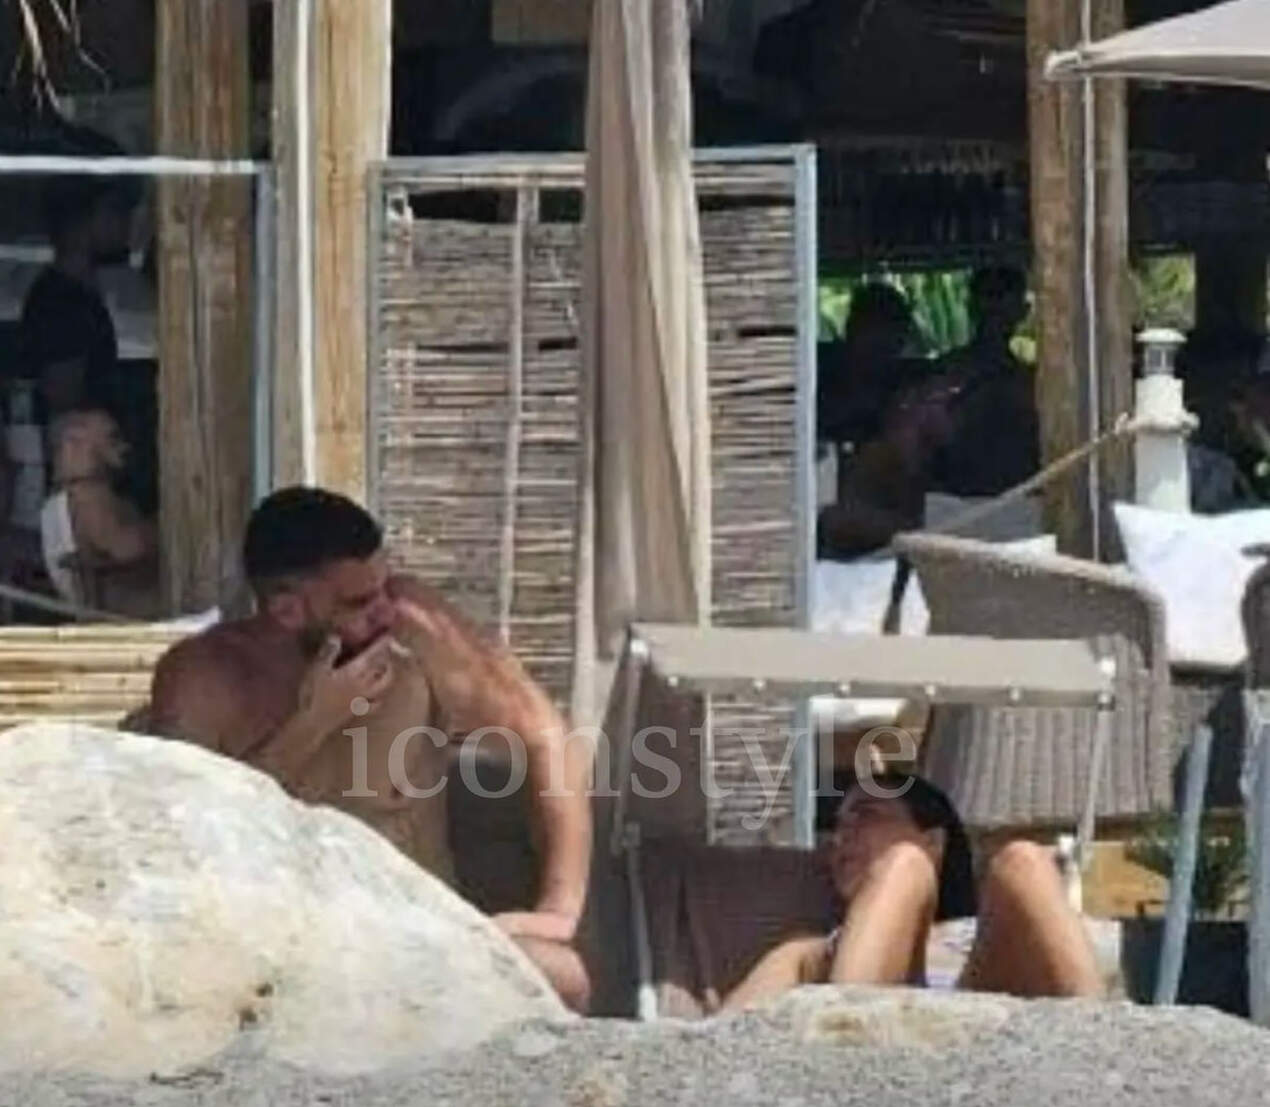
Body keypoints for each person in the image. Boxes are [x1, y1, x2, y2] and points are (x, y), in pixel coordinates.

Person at [147, 487, 593, 1011]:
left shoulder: (412, 626)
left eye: (383, 586)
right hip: (286, 954)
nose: (385, 612)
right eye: (358, 603)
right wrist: (315, 721)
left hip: (427, 941)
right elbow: (185, 839)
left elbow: (544, 735)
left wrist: (559, 907)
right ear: (288, 610)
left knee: (562, 975)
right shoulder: (204, 676)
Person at [720, 775, 1102, 1011]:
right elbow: (720, 1041)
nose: (839, 837)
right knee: (904, 867)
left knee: (1023, 862)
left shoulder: (993, 933)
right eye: (838, 825)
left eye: (866, 814)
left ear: (934, 840)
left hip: (991, 1027)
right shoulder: (806, 953)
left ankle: (1104, 1055)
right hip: (874, 1047)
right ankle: (842, 1052)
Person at [21, 168, 138, 422]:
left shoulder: (75, 297)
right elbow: (65, 403)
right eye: (115, 210)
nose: (126, 222)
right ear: (81, 221)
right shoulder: (62, 305)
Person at [927, 266, 1040, 497]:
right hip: (954, 503)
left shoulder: (1033, 381)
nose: (994, 310)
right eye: (989, 298)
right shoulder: (942, 374)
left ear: (1023, 310)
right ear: (972, 306)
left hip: (1023, 501)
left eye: (1002, 300)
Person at [41, 408, 157, 617]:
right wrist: (169, 526)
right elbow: (128, 549)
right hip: (133, 612)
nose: (125, 446)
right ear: (75, 442)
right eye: (113, 438)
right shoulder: (89, 497)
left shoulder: (70, 496)